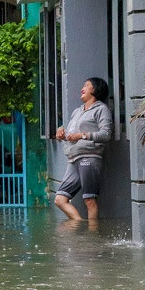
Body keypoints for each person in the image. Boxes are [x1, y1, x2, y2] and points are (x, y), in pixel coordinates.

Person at [54, 77, 113, 221]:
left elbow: (106, 134)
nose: (82, 88)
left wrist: (82, 135)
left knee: (90, 201)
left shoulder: (101, 109)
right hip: (73, 158)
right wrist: (62, 133)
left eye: (86, 85)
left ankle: (92, 237)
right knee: (60, 200)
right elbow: (71, 134)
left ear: (96, 90)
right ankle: (79, 225)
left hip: (89, 157)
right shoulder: (77, 111)